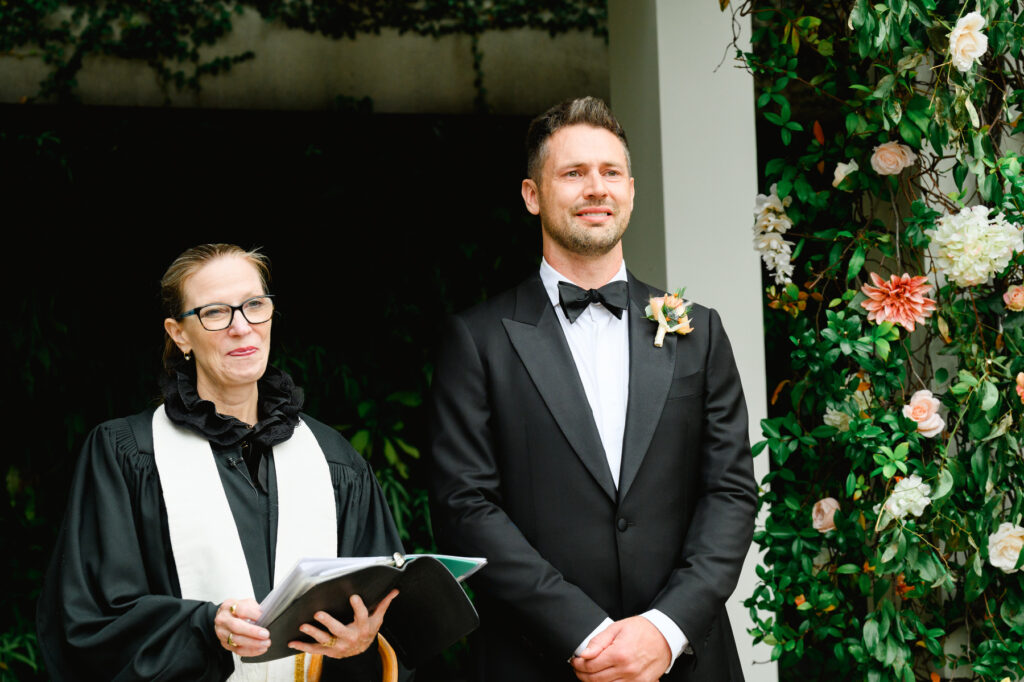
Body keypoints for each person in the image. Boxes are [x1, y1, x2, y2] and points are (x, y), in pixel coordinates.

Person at [428, 97, 757, 681]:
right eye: (573, 173)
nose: (595, 188)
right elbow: (464, 506)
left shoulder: (697, 330)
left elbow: (729, 493)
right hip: (538, 660)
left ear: (630, 189)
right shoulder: (476, 340)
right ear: (532, 195)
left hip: (685, 660)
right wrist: (586, 632)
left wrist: (665, 629)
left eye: (610, 173)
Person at [37, 244, 402, 681]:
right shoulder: (126, 455)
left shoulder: (334, 463)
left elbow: (388, 617)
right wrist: (205, 627)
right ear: (179, 334)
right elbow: (87, 622)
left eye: (254, 306)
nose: (241, 327)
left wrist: (361, 641)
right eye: (214, 312)